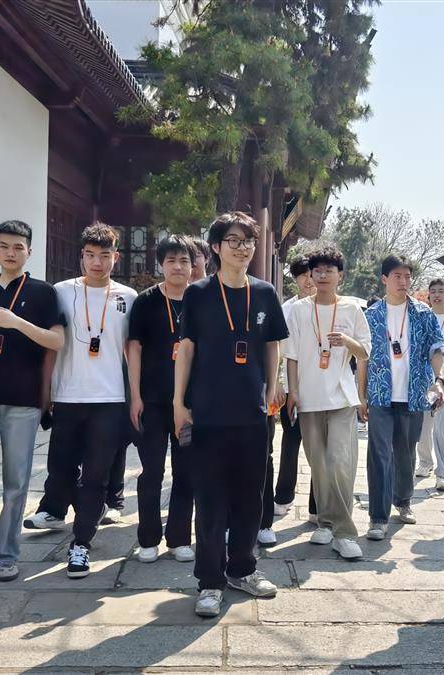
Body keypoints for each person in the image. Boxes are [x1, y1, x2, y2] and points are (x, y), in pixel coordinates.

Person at [174, 212, 287, 617]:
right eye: (234, 241)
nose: (242, 248)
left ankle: (243, 568)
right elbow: (186, 349)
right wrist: (178, 403)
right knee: (209, 499)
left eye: (248, 241)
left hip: (253, 413)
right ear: (216, 247)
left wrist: (271, 386)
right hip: (208, 412)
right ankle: (210, 580)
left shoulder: (265, 293)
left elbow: (272, 344)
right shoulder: (198, 293)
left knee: (250, 497)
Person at [24, 223, 137, 579]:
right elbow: (50, 345)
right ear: (81, 257)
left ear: (116, 258)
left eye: (105, 255)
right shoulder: (61, 292)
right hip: (68, 396)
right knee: (60, 469)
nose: (97, 263)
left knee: (96, 475)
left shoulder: (128, 297)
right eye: (90, 255)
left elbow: (133, 351)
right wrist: (46, 392)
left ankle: (81, 543)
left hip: (110, 398)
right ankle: (79, 510)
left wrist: (135, 398)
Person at [0, 221, 65, 582]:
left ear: (29, 252)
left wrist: (16, 322)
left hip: (23, 400)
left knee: (16, 481)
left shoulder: (43, 293)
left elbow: (57, 341)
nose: (11, 253)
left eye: (18, 247)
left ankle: (6, 552)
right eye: (4, 246)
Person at [284, 244, 370, 560]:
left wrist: (346, 341)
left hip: (341, 398)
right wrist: (292, 392)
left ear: (340, 276)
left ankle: (345, 533)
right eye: (316, 271)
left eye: (328, 271)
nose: (322, 276)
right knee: (319, 465)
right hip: (309, 398)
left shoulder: (351, 310)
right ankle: (325, 521)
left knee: (340, 463)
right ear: (310, 275)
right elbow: (291, 355)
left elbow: (365, 352)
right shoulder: (299, 310)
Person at [361, 254, 444, 541]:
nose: (403, 281)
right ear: (384, 279)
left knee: (406, 452)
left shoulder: (423, 313)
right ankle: (378, 517)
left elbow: (436, 348)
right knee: (379, 454)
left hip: (414, 394)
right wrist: (361, 396)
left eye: (407, 276)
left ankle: (403, 499)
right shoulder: (371, 315)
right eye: (397, 276)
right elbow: (362, 357)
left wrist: (438, 380)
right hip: (380, 394)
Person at [128, 234, 197, 564]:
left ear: (193, 266)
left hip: (190, 404)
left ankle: (180, 538)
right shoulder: (146, 301)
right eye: (171, 260)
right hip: (153, 401)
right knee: (152, 470)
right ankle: (148, 538)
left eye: (184, 261)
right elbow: (134, 348)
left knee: (186, 471)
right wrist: (135, 396)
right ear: (161, 265)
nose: (178, 267)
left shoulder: (201, 300)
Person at [268, 255, 317, 531]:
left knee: (318, 449)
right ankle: (284, 496)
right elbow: (278, 349)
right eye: (303, 275)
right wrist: (278, 383)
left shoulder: (327, 307)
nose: (309, 280)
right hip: (291, 386)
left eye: (312, 274)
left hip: (319, 388)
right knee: (290, 442)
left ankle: (317, 506)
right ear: (295, 279)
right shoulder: (286, 309)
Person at [415, 278, 444, 491]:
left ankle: (443, 473)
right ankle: (425, 463)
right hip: (423, 382)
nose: (437, 295)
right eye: (433, 291)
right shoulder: (422, 317)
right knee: (423, 429)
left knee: (442, 430)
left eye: (441, 291)